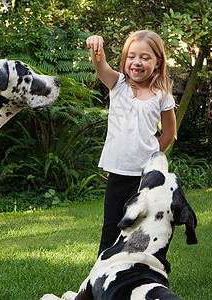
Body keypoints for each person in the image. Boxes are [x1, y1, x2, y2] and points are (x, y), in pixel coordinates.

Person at [86, 30, 177, 255]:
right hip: (118, 175)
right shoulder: (118, 84)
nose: (137, 62)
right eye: (131, 56)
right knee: (111, 229)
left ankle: (136, 272)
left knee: (140, 229)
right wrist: (96, 47)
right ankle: (101, 276)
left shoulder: (162, 95)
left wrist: (149, 157)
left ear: (157, 63)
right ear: (125, 59)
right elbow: (101, 66)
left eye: (145, 57)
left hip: (146, 178)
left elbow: (168, 134)